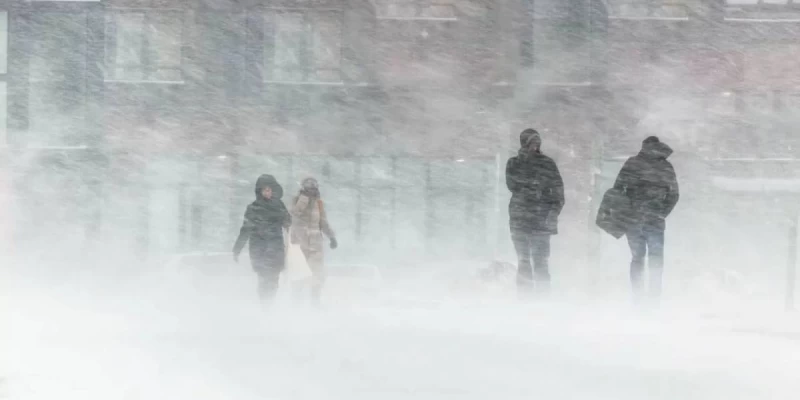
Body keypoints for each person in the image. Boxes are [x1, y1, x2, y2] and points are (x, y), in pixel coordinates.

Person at [613, 136, 679, 301]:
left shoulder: (632, 163)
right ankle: (654, 296)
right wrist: (661, 212)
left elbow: (617, 190)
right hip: (655, 221)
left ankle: (638, 296)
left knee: (637, 258)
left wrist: (626, 210)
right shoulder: (665, 166)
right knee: (655, 259)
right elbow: (674, 194)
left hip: (633, 220)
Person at [506, 129, 565, 295]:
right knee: (524, 261)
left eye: (536, 143)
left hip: (540, 220)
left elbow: (558, 193)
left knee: (541, 262)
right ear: (524, 144)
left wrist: (552, 213)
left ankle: (542, 298)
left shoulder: (547, 163)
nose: (534, 146)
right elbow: (512, 185)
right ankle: (525, 298)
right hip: (520, 219)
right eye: (531, 143)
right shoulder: (514, 163)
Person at [233, 174, 291, 304]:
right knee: (263, 279)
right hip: (259, 249)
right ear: (260, 191)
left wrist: (283, 214)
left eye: (269, 189)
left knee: (274, 280)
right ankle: (265, 306)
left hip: (276, 248)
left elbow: (288, 224)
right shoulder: (253, 208)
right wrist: (237, 248)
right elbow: (245, 229)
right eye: (265, 190)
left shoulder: (279, 205)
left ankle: (269, 304)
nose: (267, 192)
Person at [290, 177, 338, 305]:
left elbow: (323, 222)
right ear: (303, 188)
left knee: (318, 273)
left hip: (316, 244)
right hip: (300, 243)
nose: (312, 190)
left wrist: (331, 236)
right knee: (300, 273)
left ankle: (315, 301)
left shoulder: (319, 203)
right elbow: (294, 214)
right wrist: (304, 199)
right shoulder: (297, 200)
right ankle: (296, 301)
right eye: (309, 187)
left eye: (314, 187)